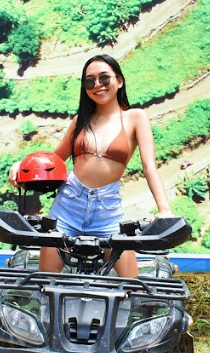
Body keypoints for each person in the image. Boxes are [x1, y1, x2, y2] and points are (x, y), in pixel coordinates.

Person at [10, 54, 173, 278]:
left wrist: (164, 209)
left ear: (119, 81)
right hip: (68, 206)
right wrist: (22, 164)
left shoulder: (135, 117)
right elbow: (55, 159)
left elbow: (149, 167)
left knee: (131, 284)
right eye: (90, 81)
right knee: (46, 283)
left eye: (104, 78)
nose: (97, 85)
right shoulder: (81, 120)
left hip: (107, 211)